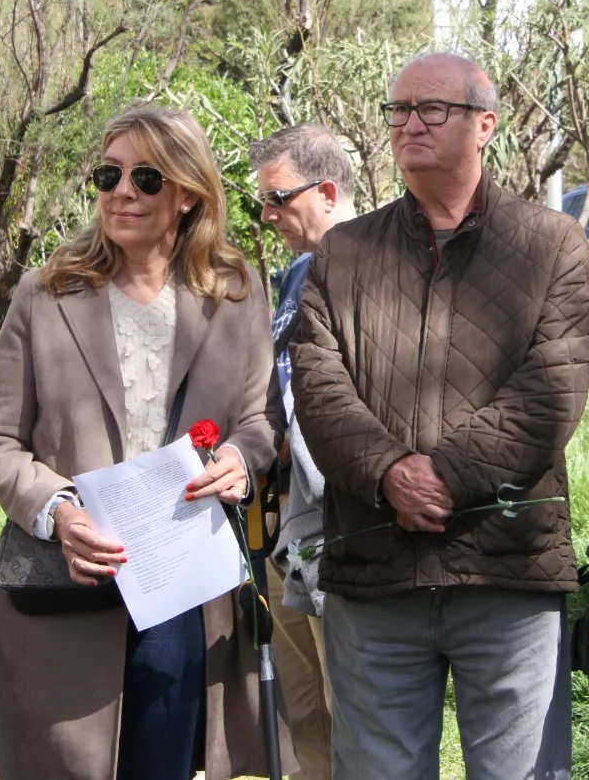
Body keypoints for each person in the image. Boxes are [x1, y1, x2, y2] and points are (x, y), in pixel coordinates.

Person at [291, 52, 589, 780]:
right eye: (399, 110)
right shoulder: (345, 252)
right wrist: (389, 472)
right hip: (376, 562)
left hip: (505, 561)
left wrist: (446, 476)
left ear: (484, 125)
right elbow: (317, 383)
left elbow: (552, 388)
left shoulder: (550, 244)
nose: (411, 124)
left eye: (432, 109)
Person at [0, 106, 293, 780]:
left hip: (180, 588)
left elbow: (261, 420)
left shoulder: (234, 294)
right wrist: (59, 510)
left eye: (146, 178)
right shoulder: (45, 295)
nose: (121, 191)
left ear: (188, 194)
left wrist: (238, 460)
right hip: (67, 583)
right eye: (108, 174)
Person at [248, 123, 359, 780]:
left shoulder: (379, 268)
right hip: (286, 522)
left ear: (326, 192)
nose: (266, 215)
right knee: (304, 714)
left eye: (277, 198)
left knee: (356, 714)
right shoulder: (296, 274)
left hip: (347, 525)